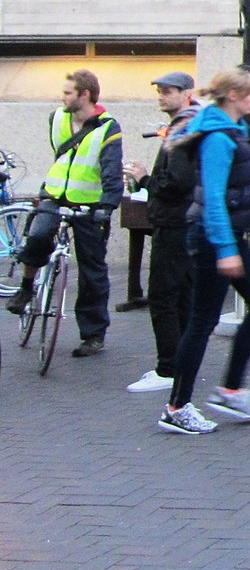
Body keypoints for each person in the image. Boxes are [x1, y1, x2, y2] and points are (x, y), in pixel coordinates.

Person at [160, 67, 250, 435]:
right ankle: (177, 407)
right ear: (231, 97)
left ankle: (230, 389)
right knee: (202, 321)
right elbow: (212, 198)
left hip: (226, 238)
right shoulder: (217, 139)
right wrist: (226, 250)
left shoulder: (232, 132)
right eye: (249, 93)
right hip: (213, 238)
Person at [5, 69, 123, 358]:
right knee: (38, 235)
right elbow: (60, 156)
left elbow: (111, 170)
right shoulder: (57, 117)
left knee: (93, 269)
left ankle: (93, 335)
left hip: (89, 205)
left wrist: (107, 206)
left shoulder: (108, 127)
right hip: (55, 195)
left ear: (85, 94)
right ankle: (26, 287)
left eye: (68, 92)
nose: (63, 97)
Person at [121, 71, 201, 393]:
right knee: (182, 296)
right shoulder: (188, 125)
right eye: (159, 91)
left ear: (185, 94)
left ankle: (168, 368)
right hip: (184, 223)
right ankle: (181, 363)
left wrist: (143, 178)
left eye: (167, 91)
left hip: (174, 224)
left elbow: (176, 183)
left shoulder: (184, 129)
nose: (161, 96)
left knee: (164, 296)